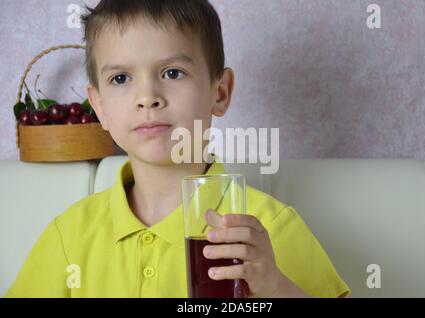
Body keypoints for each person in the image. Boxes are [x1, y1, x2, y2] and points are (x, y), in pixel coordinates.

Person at [5, 0, 349, 298]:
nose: (148, 97)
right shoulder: (70, 236)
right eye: (121, 78)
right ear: (99, 107)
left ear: (220, 92)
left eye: (172, 72)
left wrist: (275, 287)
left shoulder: (267, 229)